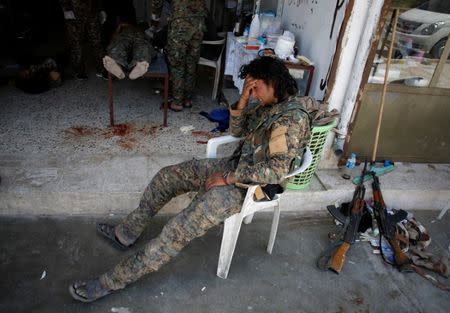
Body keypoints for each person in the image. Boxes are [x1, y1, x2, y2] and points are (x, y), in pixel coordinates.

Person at [69, 56, 312, 302]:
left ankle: (110, 281)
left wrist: (228, 178)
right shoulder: (266, 102)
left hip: (249, 186)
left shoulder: (291, 118)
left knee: (176, 230)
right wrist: (243, 100)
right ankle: (126, 232)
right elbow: (238, 132)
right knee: (167, 177)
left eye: (255, 86)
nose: (252, 91)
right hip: (237, 167)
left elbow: (275, 171)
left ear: (272, 82)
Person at [151, 0, 207, 111]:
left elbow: (157, 2)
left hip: (181, 23)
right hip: (199, 23)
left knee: (177, 62)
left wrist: (154, 19)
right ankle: (187, 99)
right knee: (191, 62)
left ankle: (177, 102)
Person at [59, 0, 106, 80]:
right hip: (74, 13)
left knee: (97, 41)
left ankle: (101, 68)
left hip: (92, 12)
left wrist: (101, 8)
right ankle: (79, 70)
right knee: (76, 43)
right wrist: (67, 9)